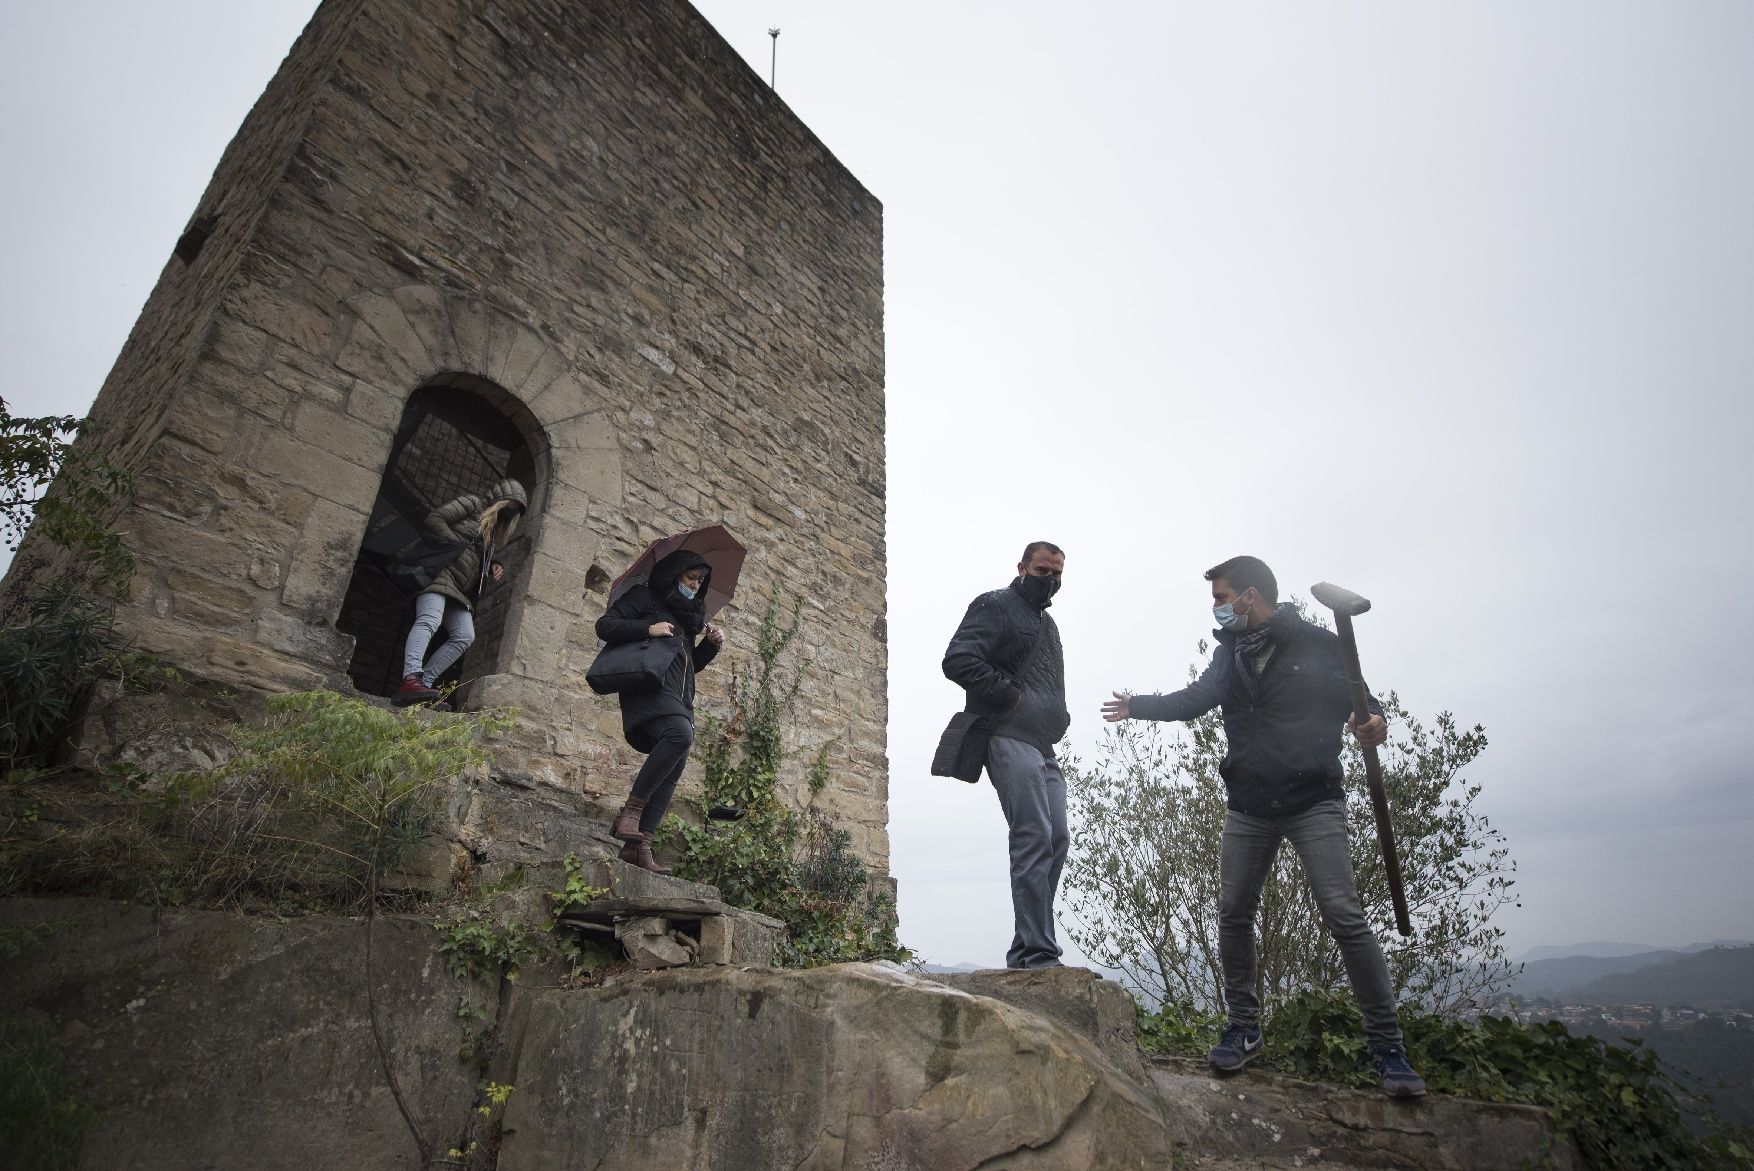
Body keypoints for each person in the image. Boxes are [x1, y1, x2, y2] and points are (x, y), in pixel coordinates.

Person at [1100, 555, 1426, 1099]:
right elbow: (1197, 700)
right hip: (1248, 804)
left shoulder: (1322, 645)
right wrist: (1137, 706)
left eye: (1222, 597)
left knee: (1344, 915)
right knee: (1234, 913)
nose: (1217, 607)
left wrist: (1371, 725)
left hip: (1312, 799)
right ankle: (1244, 1028)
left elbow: (1362, 708)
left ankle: (1388, 1049)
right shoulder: (1229, 654)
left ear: (1250, 596)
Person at [942, 541, 1071, 969]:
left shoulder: (1048, 626)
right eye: (1042, 571)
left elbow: (1052, 681)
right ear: (1021, 567)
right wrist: (1013, 698)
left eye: (1056, 574)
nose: (1049, 580)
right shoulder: (995, 604)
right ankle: (1036, 952)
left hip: (1043, 744)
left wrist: (1060, 716)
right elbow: (958, 660)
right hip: (1005, 735)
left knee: (1057, 838)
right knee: (1033, 833)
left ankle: (1028, 944)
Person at [599, 548, 725, 874]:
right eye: (691, 577)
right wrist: (647, 629)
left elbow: (688, 666)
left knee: (673, 769)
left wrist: (710, 647)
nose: (697, 585)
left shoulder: (688, 619)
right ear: (674, 575)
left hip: (679, 698)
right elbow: (606, 625)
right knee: (679, 736)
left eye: (701, 581)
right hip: (647, 691)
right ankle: (630, 811)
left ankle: (639, 847)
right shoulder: (646, 598)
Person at [393, 478, 528, 707]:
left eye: (516, 510)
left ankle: (423, 684)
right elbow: (435, 518)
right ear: (500, 499)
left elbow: (475, 555)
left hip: (460, 586)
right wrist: (455, 543)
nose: (511, 511)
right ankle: (410, 678)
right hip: (441, 572)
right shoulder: (473, 504)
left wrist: (494, 563)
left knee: (465, 635)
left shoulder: (494, 533)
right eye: (511, 504)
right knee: (429, 620)